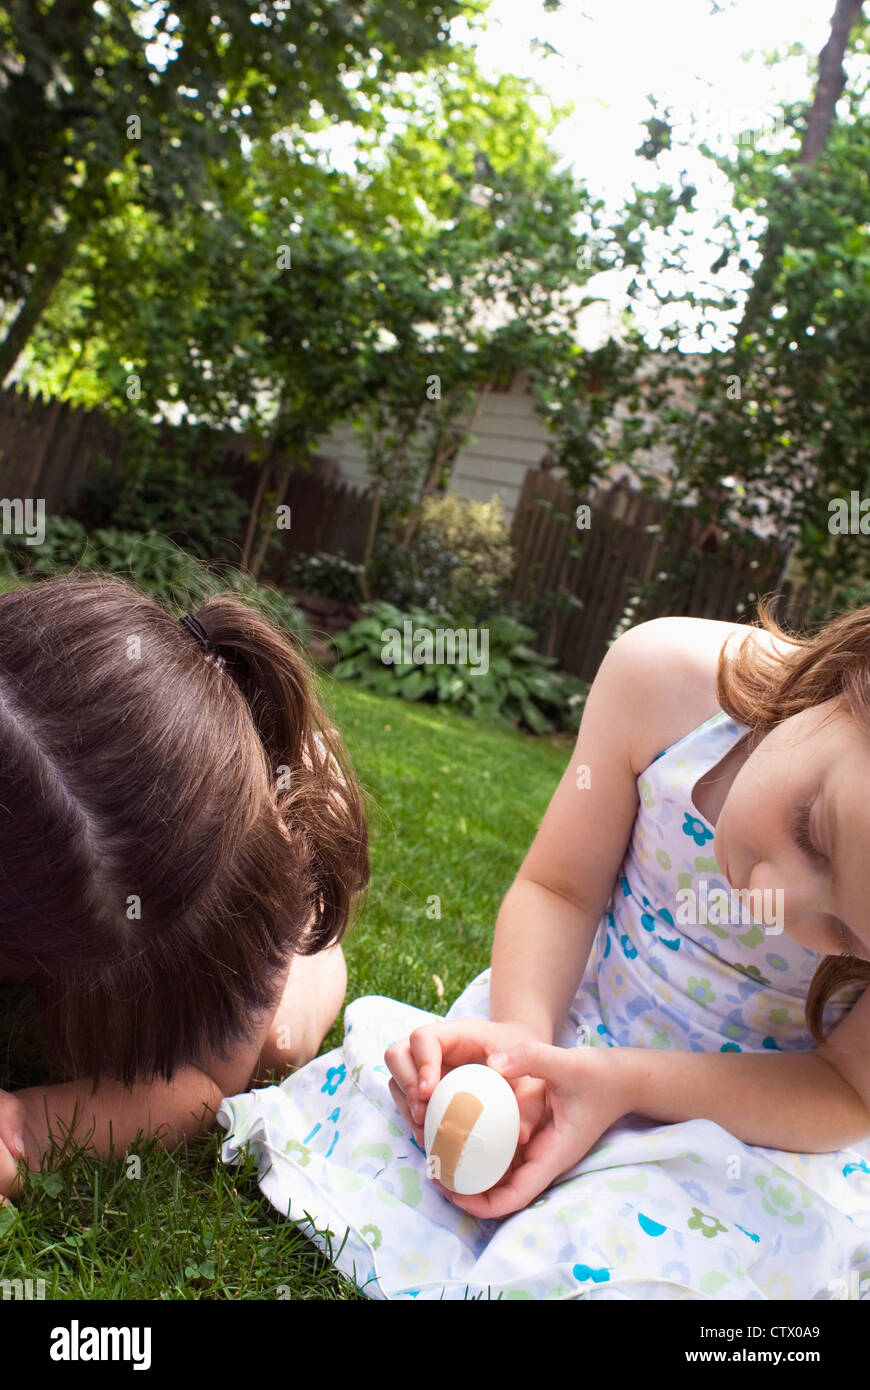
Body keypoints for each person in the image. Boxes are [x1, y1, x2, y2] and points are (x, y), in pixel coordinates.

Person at [217, 603, 870, 1299]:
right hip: (567, 1025)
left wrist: (625, 1085)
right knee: (409, 1148)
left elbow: (847, 1087)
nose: (776, 896)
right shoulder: (663, 681)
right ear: (847, 674)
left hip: (749, 1123)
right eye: (814, 833)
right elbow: (560, 891)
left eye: (848, 936)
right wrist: (520, 1051)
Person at [0, 571, 368, 1203]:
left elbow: (198, 1086)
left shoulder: (238, 896)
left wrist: (25, 1128)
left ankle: (312, 781)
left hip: (272, 843)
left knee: (280, 1043)